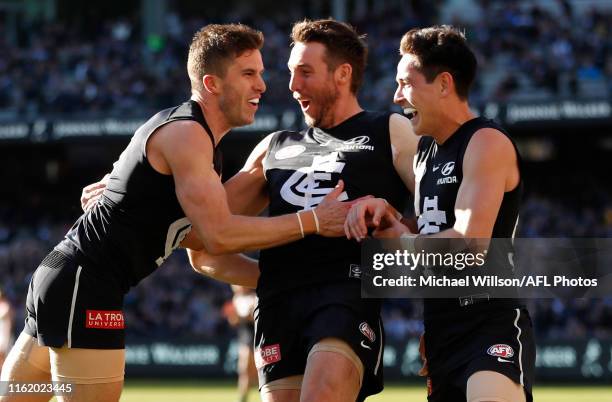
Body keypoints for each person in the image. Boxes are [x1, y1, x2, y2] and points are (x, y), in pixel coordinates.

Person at [0, 23, 350, 402]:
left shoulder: (191, 138)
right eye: (248, 74)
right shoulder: (188, 135)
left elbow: (199, 243)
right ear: (212, 83)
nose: (263, 86)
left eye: (261, 74)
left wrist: (285, 278)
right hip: (86, 288)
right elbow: (218, 235)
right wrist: (313, 220)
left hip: (62, 279)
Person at [190, 19, 419, 402]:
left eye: (305, 73)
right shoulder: (274, 146)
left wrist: (395, 227)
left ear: (343, 74)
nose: (293, 87)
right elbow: (200, 238)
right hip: (277, 306)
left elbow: (444, 212)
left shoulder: (389, 129)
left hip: (344, 296)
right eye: (291, 73)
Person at [345, 26, 536, 402]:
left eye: (406, 83)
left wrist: (398, 239)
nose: (397, 96)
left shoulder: (486, 141)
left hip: (489, 320)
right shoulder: (423, 154)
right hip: (438, 328)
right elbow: (431, 228)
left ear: (444, 83)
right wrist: (384, 216)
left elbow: (469, 244)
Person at [223, 286, 258, 402]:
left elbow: (255, 317)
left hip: (255, 335)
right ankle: (243, 397)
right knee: (244, 370)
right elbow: (233, 321)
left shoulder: (254, 297)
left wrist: (244, 317)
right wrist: (235, 317)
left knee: (255, 370)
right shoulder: (236, 299)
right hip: (244, 336)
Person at [0, 287, 14, 371]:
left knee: (3, 356)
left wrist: (7, 336)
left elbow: (9, 323)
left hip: (3, 333)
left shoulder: (6, 306)